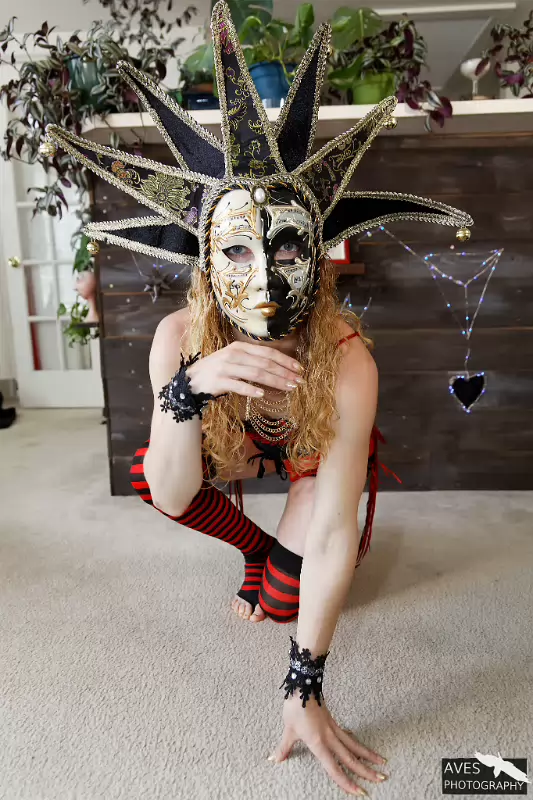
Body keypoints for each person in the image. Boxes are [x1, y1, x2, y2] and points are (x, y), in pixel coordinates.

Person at [43, 2, 473, 793]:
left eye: (285, 246)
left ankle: (270, 560)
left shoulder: (345, 357)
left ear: (317, 253)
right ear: (207, 262)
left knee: (284, 602)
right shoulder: (179, 337)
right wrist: (187, 390)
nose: (265, 276)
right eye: (237, 250)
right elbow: (171, 490)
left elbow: (335, 530)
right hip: (235, 449)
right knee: (151, 466)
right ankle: (252, 546)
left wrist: (304, 684)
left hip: (310, 471)